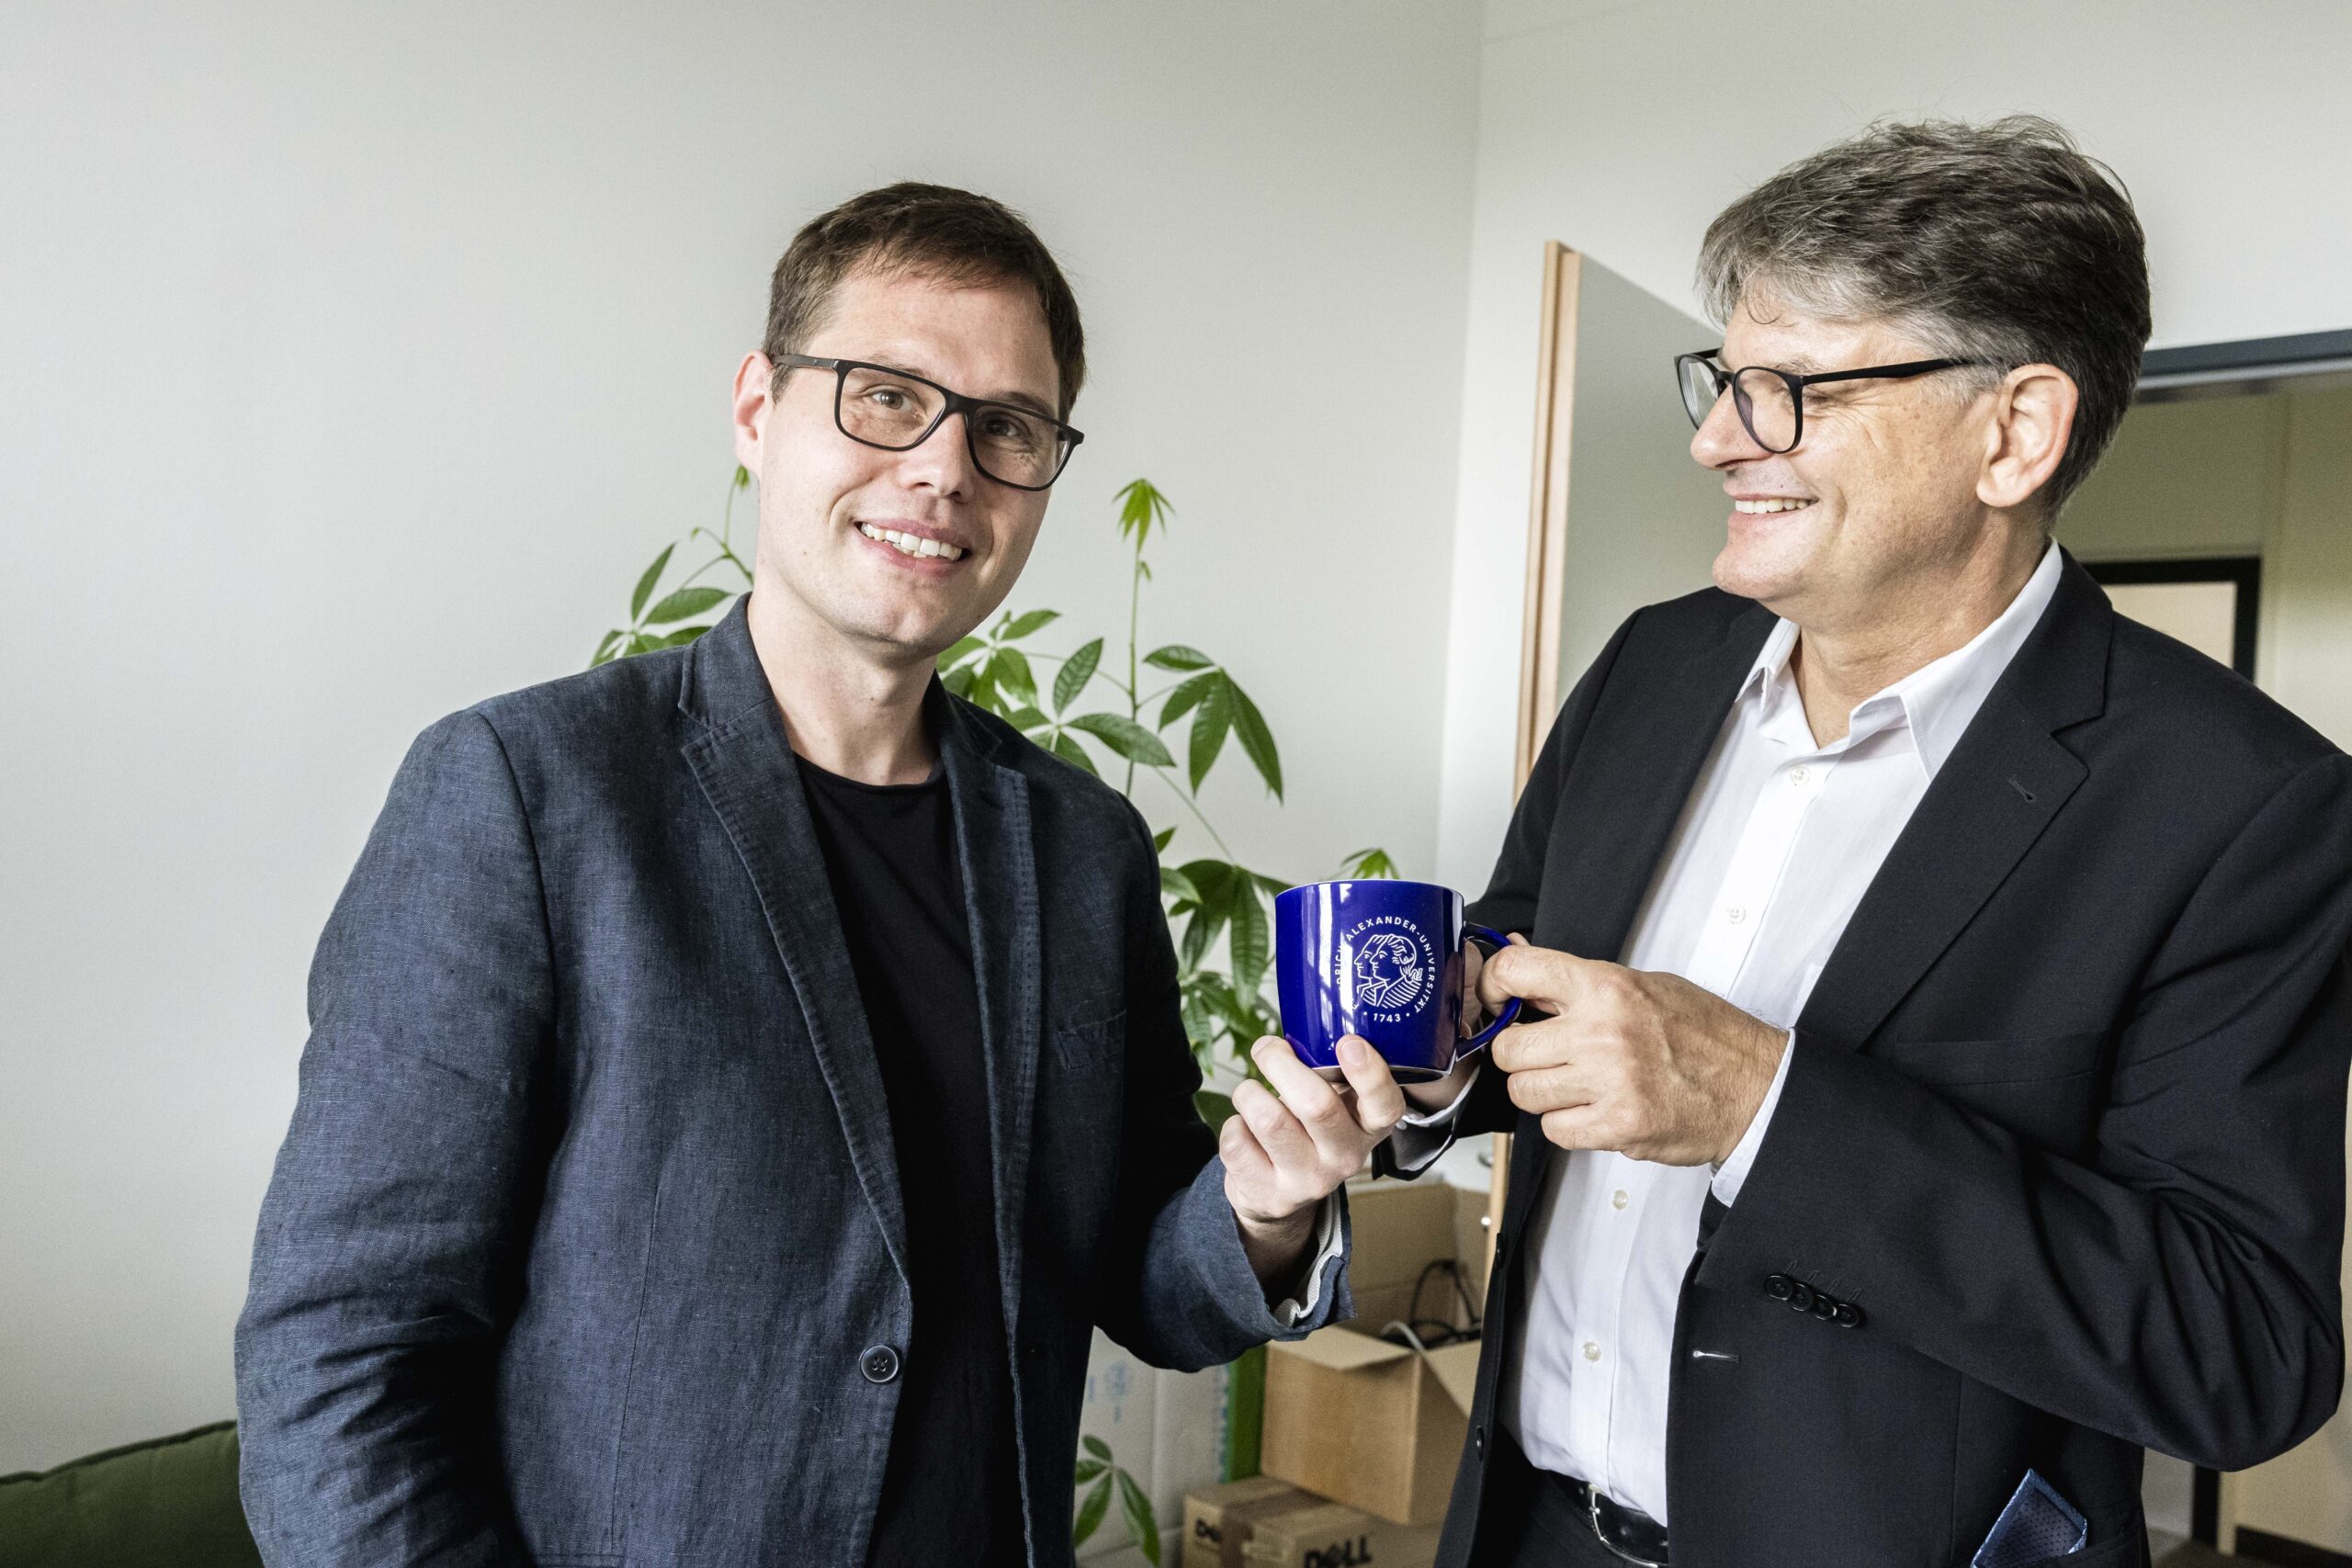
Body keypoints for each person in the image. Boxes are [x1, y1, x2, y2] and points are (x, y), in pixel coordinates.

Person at [235, 182, 1405, 1567]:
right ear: (756, 410)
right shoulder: (527, 793)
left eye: (1008, 429)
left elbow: (1140, 1283)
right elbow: (340, 1356)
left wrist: (1266, 1216)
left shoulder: (1083, 845)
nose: (944, 470)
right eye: (885, 395)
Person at [1384, 118, 2352, 1566]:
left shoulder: (2245, 809)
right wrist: (1430, 1061)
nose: (1717, 437)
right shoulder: (1650, 669)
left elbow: (2238, 1349)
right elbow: (1529, 991)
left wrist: (1762, 1103)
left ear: (2014, 432)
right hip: (1521, 1532)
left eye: (1788, 391)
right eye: (1724, 380)